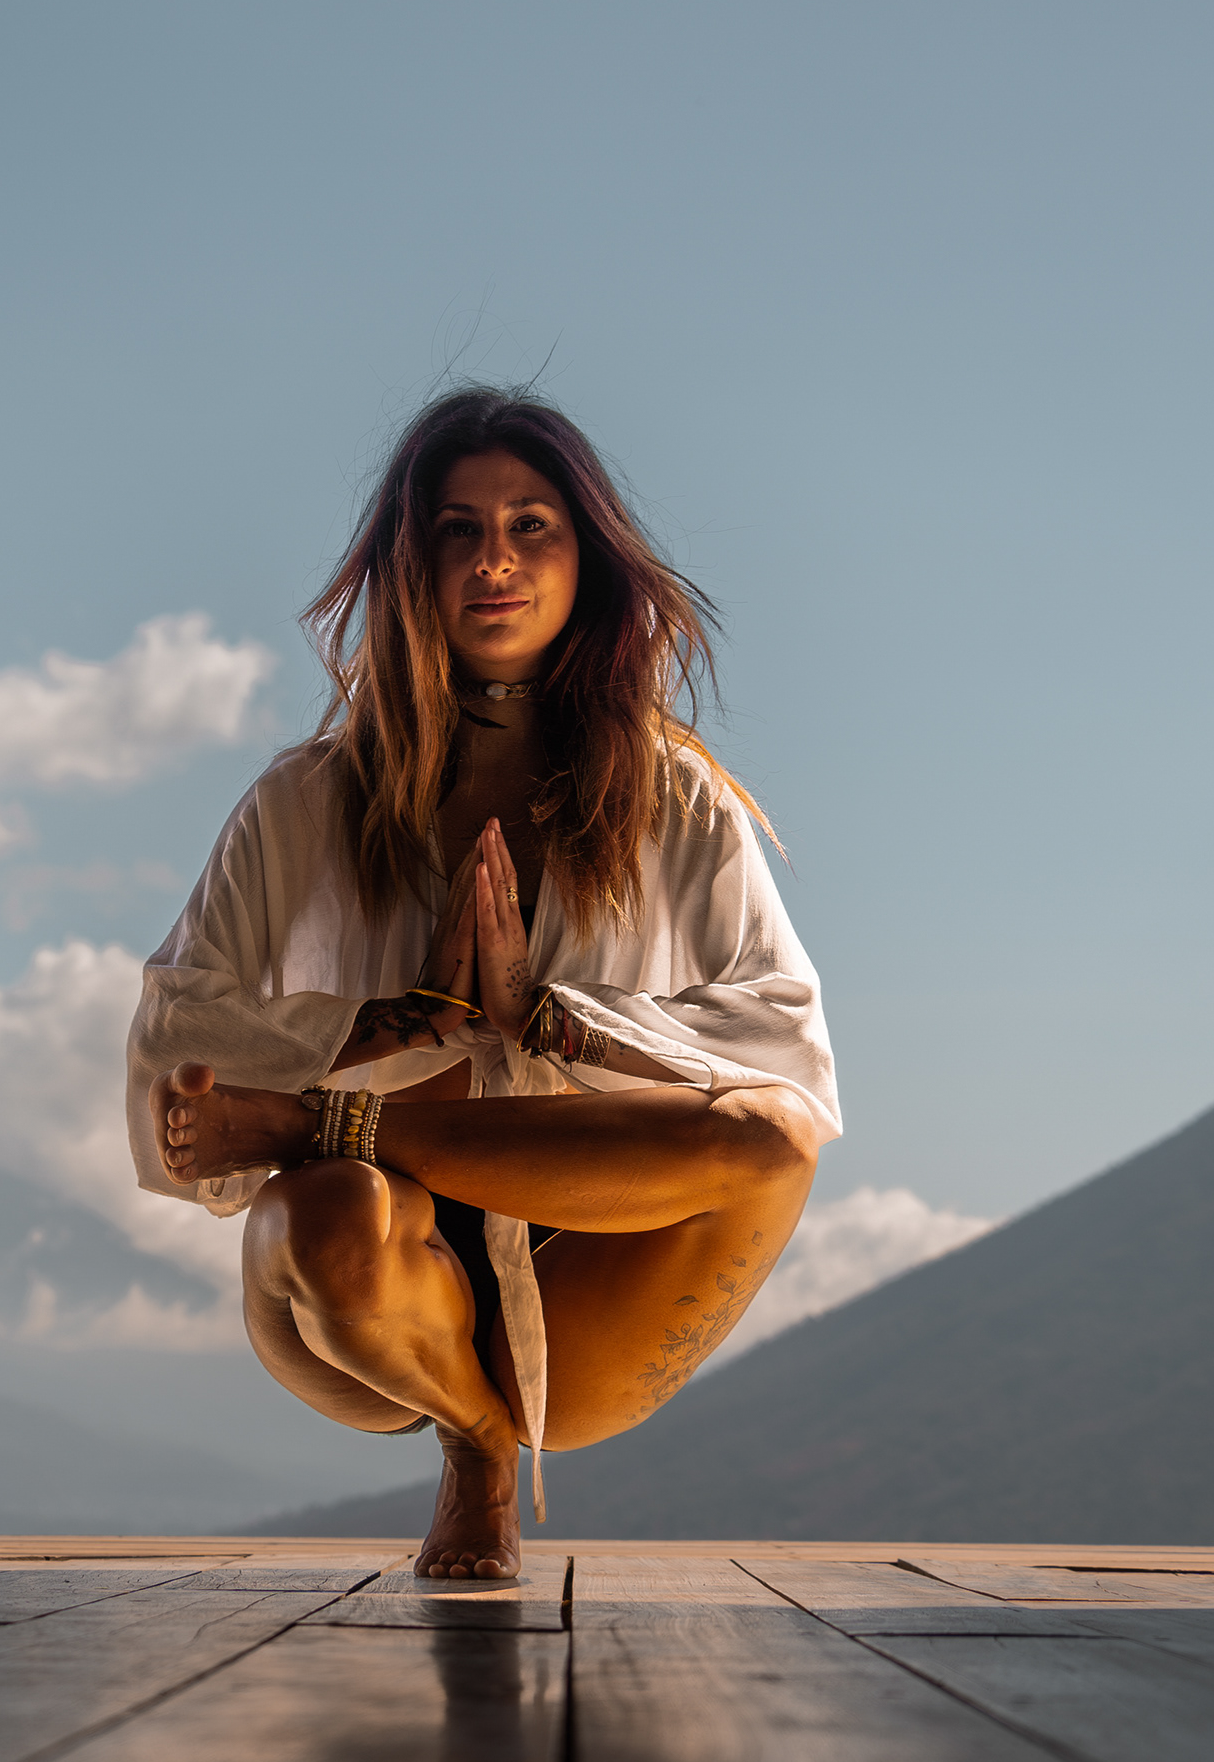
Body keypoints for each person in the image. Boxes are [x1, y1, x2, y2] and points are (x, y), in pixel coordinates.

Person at [126, 387, 839, 1577]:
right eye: (457, 529)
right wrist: (386, 1017)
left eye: (531, 526)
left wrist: (548, 1019)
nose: (493, 561)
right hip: (352, 1287)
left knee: (769, 1140)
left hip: (583, 1272)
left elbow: (788, 1046)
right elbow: (176, 1028)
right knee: (323, 1207)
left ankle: (330, 1133)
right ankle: (474, 1446)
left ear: (585, 557)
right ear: (412, 562)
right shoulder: (303, 801)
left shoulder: (676, 798)